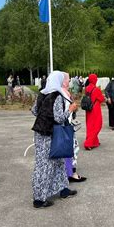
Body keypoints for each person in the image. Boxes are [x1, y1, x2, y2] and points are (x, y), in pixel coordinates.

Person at [31, 71, 78, 208]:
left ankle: (63, 189)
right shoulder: (57, 96)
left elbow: (34, 111)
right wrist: (70, 109)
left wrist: (44, 115)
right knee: (45, 165)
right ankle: (39, 199)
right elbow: (58, 118)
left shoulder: (42, 93)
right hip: (50, 134)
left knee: (58, 162)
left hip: (40, 132)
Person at [61, 73, 86, 183]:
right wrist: (71, 109)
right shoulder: (60, 94)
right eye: (68, 79)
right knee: (70, 149)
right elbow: (61, 113)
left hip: (68, 124)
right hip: (65, 126)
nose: (69, 81)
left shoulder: (65, 93)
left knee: (71, 149)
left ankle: (70, 172)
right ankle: (70, 173)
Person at [84, 74, 104, 150]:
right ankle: (88, 143)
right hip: (95, 109)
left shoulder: (87, 88)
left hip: (88, 109)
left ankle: (94, 141)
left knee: (90, 125)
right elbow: (101, 99)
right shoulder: (96, 89)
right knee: (97, 125)